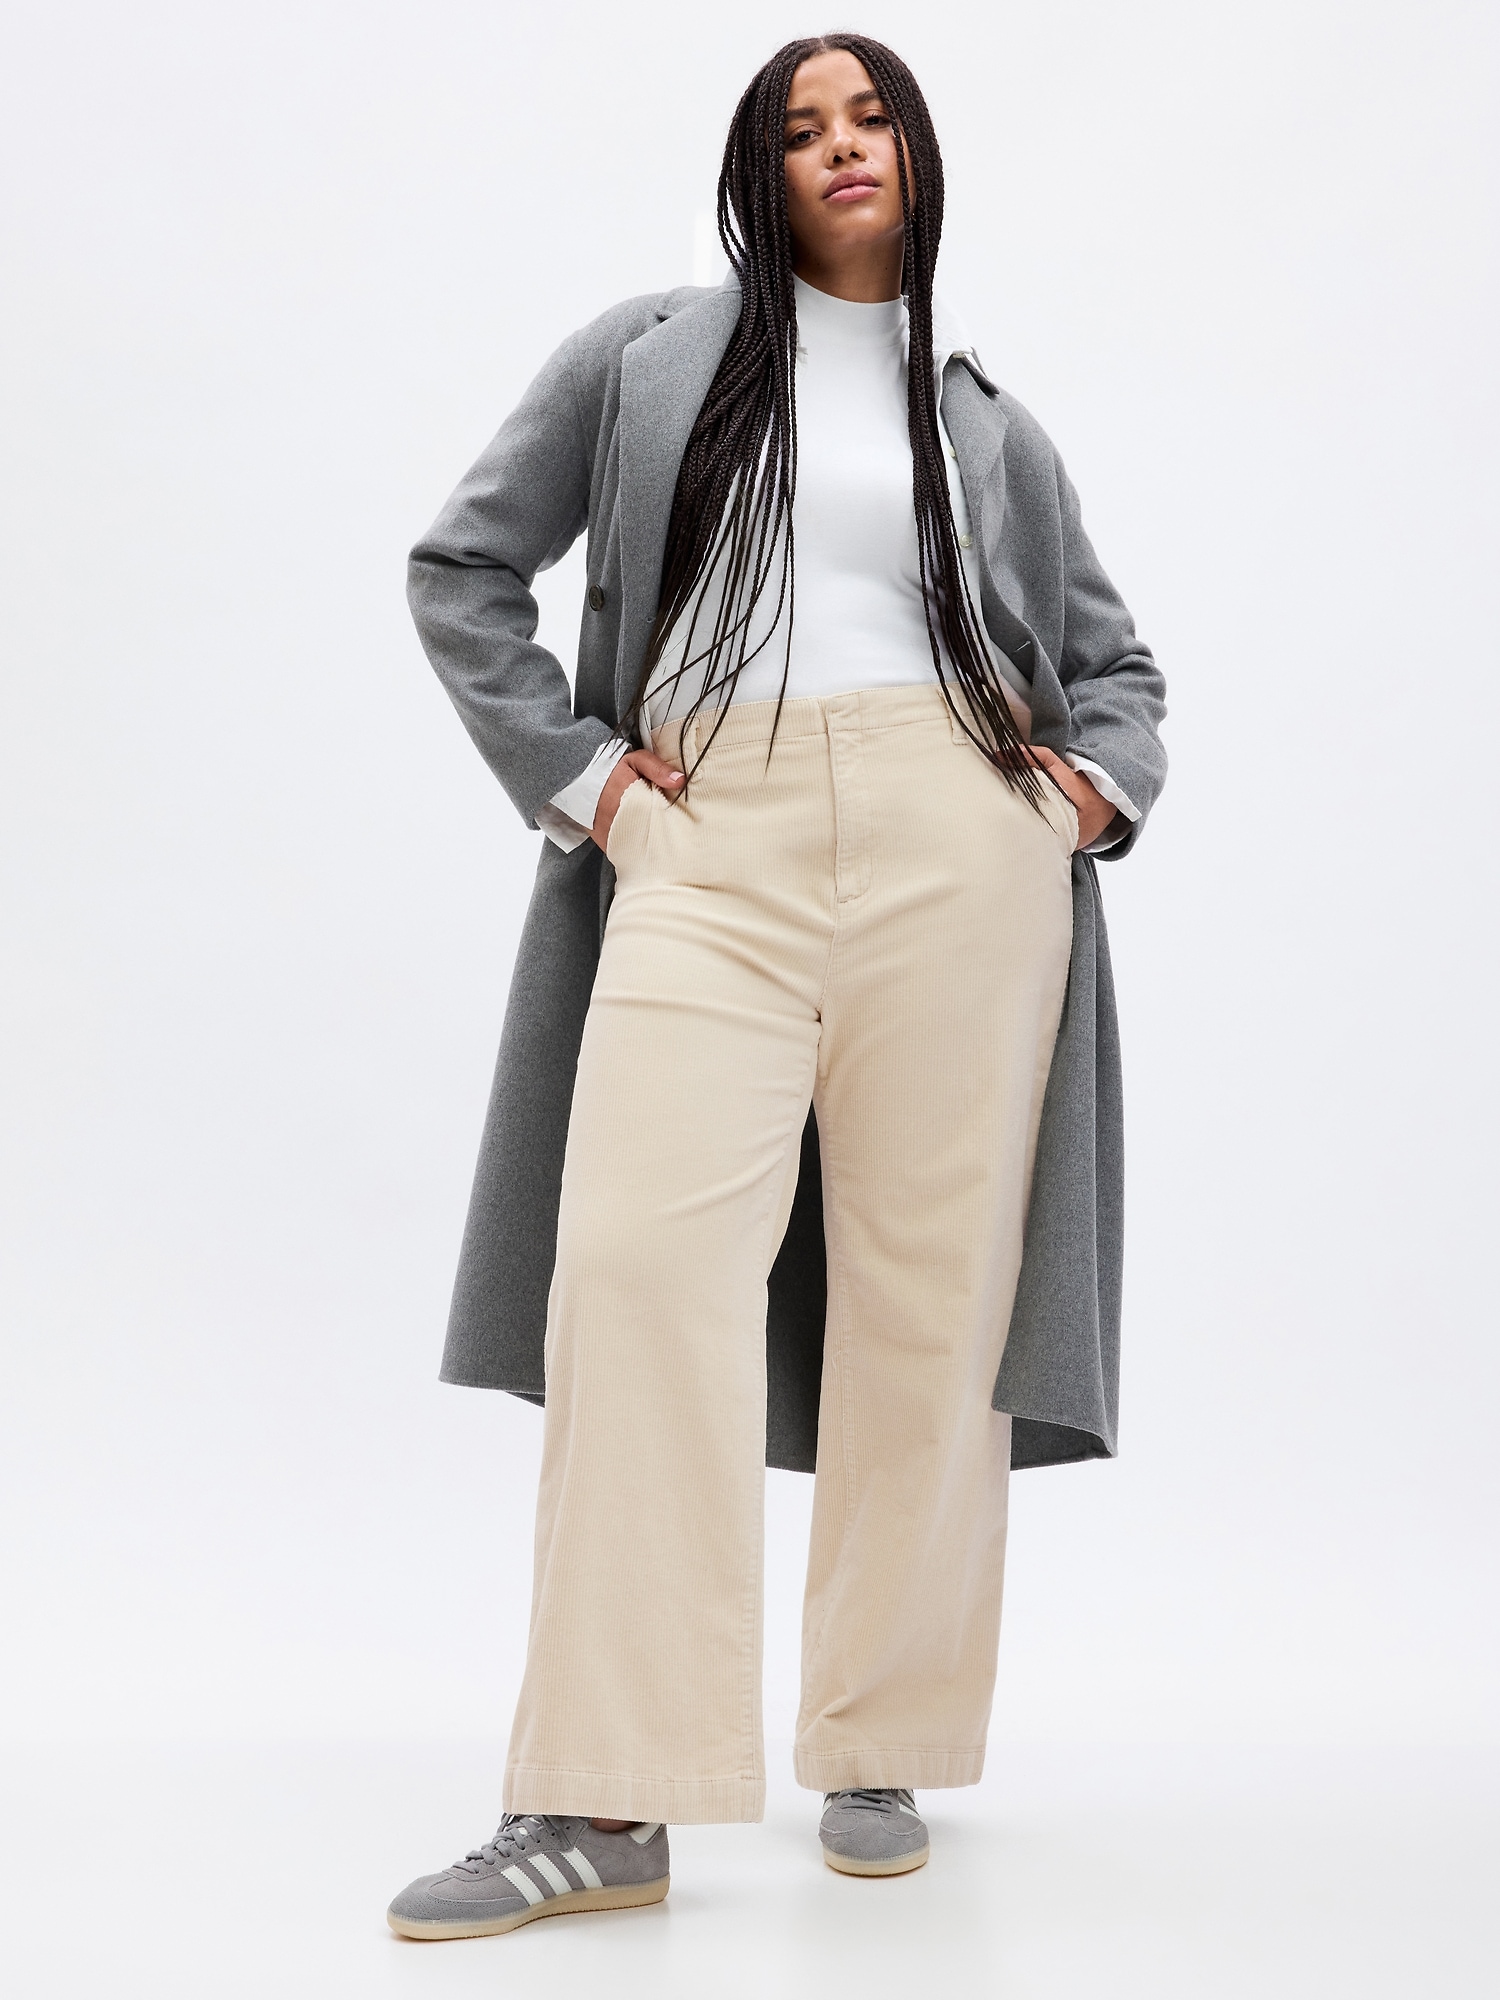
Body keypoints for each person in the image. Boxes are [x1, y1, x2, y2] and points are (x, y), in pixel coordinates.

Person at [387, 31, 1167, 1941]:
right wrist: (589, 785)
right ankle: (603, 1796)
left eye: (871, 116)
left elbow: (1116, 670)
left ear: (918, 152)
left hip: (958, 837)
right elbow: (463, 566)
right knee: (635, 1271)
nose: (842, 147)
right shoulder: (645, 358)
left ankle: (877, 1738)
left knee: (933, 1294)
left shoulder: (986, 421)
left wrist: (1080, 794)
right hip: (704, 828)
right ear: (759, 169)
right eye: (802, 127)